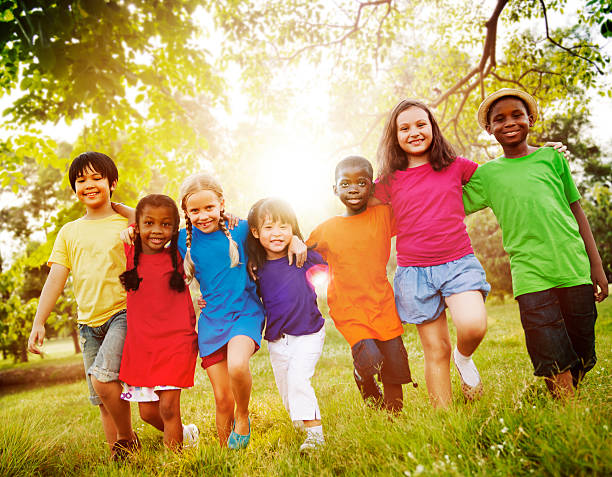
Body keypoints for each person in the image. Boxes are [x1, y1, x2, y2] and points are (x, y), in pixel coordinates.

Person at [463, 88, 608, 399]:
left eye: (517, 115)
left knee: (581, 347)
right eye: (499, 119)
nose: (509, 122)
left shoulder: (553, 158)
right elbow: (450, 202)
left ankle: (567, 390)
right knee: (548, 345)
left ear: (531, 119)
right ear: (489, 130)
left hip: (573, 267)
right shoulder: (487, 175)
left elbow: (576, 210)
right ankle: (566, 411)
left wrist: (596, 266)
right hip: (530, 275)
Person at [371, 100, 490, 408]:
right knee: (436, 350)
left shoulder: (455, 166)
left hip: (458, 262)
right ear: (394, 136)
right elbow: (359, 209)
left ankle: (464, 360)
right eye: (404, 128)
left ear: (433, 128)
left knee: (473, 324)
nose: (414, 132)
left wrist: (544, 154)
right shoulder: (388, 181)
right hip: (415, 272)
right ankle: (444, 421)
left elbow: (497, 179)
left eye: (421, 124)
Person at [178, 172, 306, 449]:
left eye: (209, 207)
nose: (203, 216)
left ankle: (243, 414)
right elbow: (153, 227)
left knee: (238, 365)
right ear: (185, 212)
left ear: (221, 203)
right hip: (211, 321)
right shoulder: (182, 241)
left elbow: (275, 228)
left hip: (245, 314)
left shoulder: (242, 228)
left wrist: (296, 238)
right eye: (195, 210)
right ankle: (227, 454)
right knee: (222, 398)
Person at [27, 152, 139, 461]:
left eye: (96, 178)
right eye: (81, 180)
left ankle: (128, 439)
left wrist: (119, 206)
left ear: (112, 182)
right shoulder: (69, 232)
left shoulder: (125, 223)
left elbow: (153, 216)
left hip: (123, 313)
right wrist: (39, 322)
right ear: (74, 188)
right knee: (102, 398)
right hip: (88, 324)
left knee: (103, 380)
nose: (88, 185)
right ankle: (120, 456)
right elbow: (55, 280)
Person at [307, 156, 415, 413]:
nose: (353, 189)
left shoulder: (384, 215)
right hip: (349, 308)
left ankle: (394, 419)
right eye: (345, 184)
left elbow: (409, 201)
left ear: (372, 187)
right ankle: (362, 376)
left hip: (383, 304)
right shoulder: (327, 229)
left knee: (393, 365)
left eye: (361, 182)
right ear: (335, 189)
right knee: (370, 359)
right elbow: (303, 255)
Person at [118, 194, 199, 450]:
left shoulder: (179, 253)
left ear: (175, 228)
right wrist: (126, 220)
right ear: (139, 226)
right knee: (148, 414)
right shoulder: (131, 251)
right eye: (149, 223)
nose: (157, 230)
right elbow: (132, 213)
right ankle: (186, 434)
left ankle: (174, 464)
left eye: (166, 225)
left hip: (176, 342)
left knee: (168, 408)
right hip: (142, 347)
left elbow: (207, 224)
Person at [247, 198, 327, 452]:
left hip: (309, 331)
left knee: (297, 379)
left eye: (284, 226)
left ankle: (315, 434)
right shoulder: (256, 267)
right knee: (286, 386)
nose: (277, 233)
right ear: (256, 232)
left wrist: (299, 243)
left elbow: (327, 275)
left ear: (293, 228)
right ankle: (302, 425)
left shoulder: (303, 256)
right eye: (269, 227)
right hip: (277, 338)